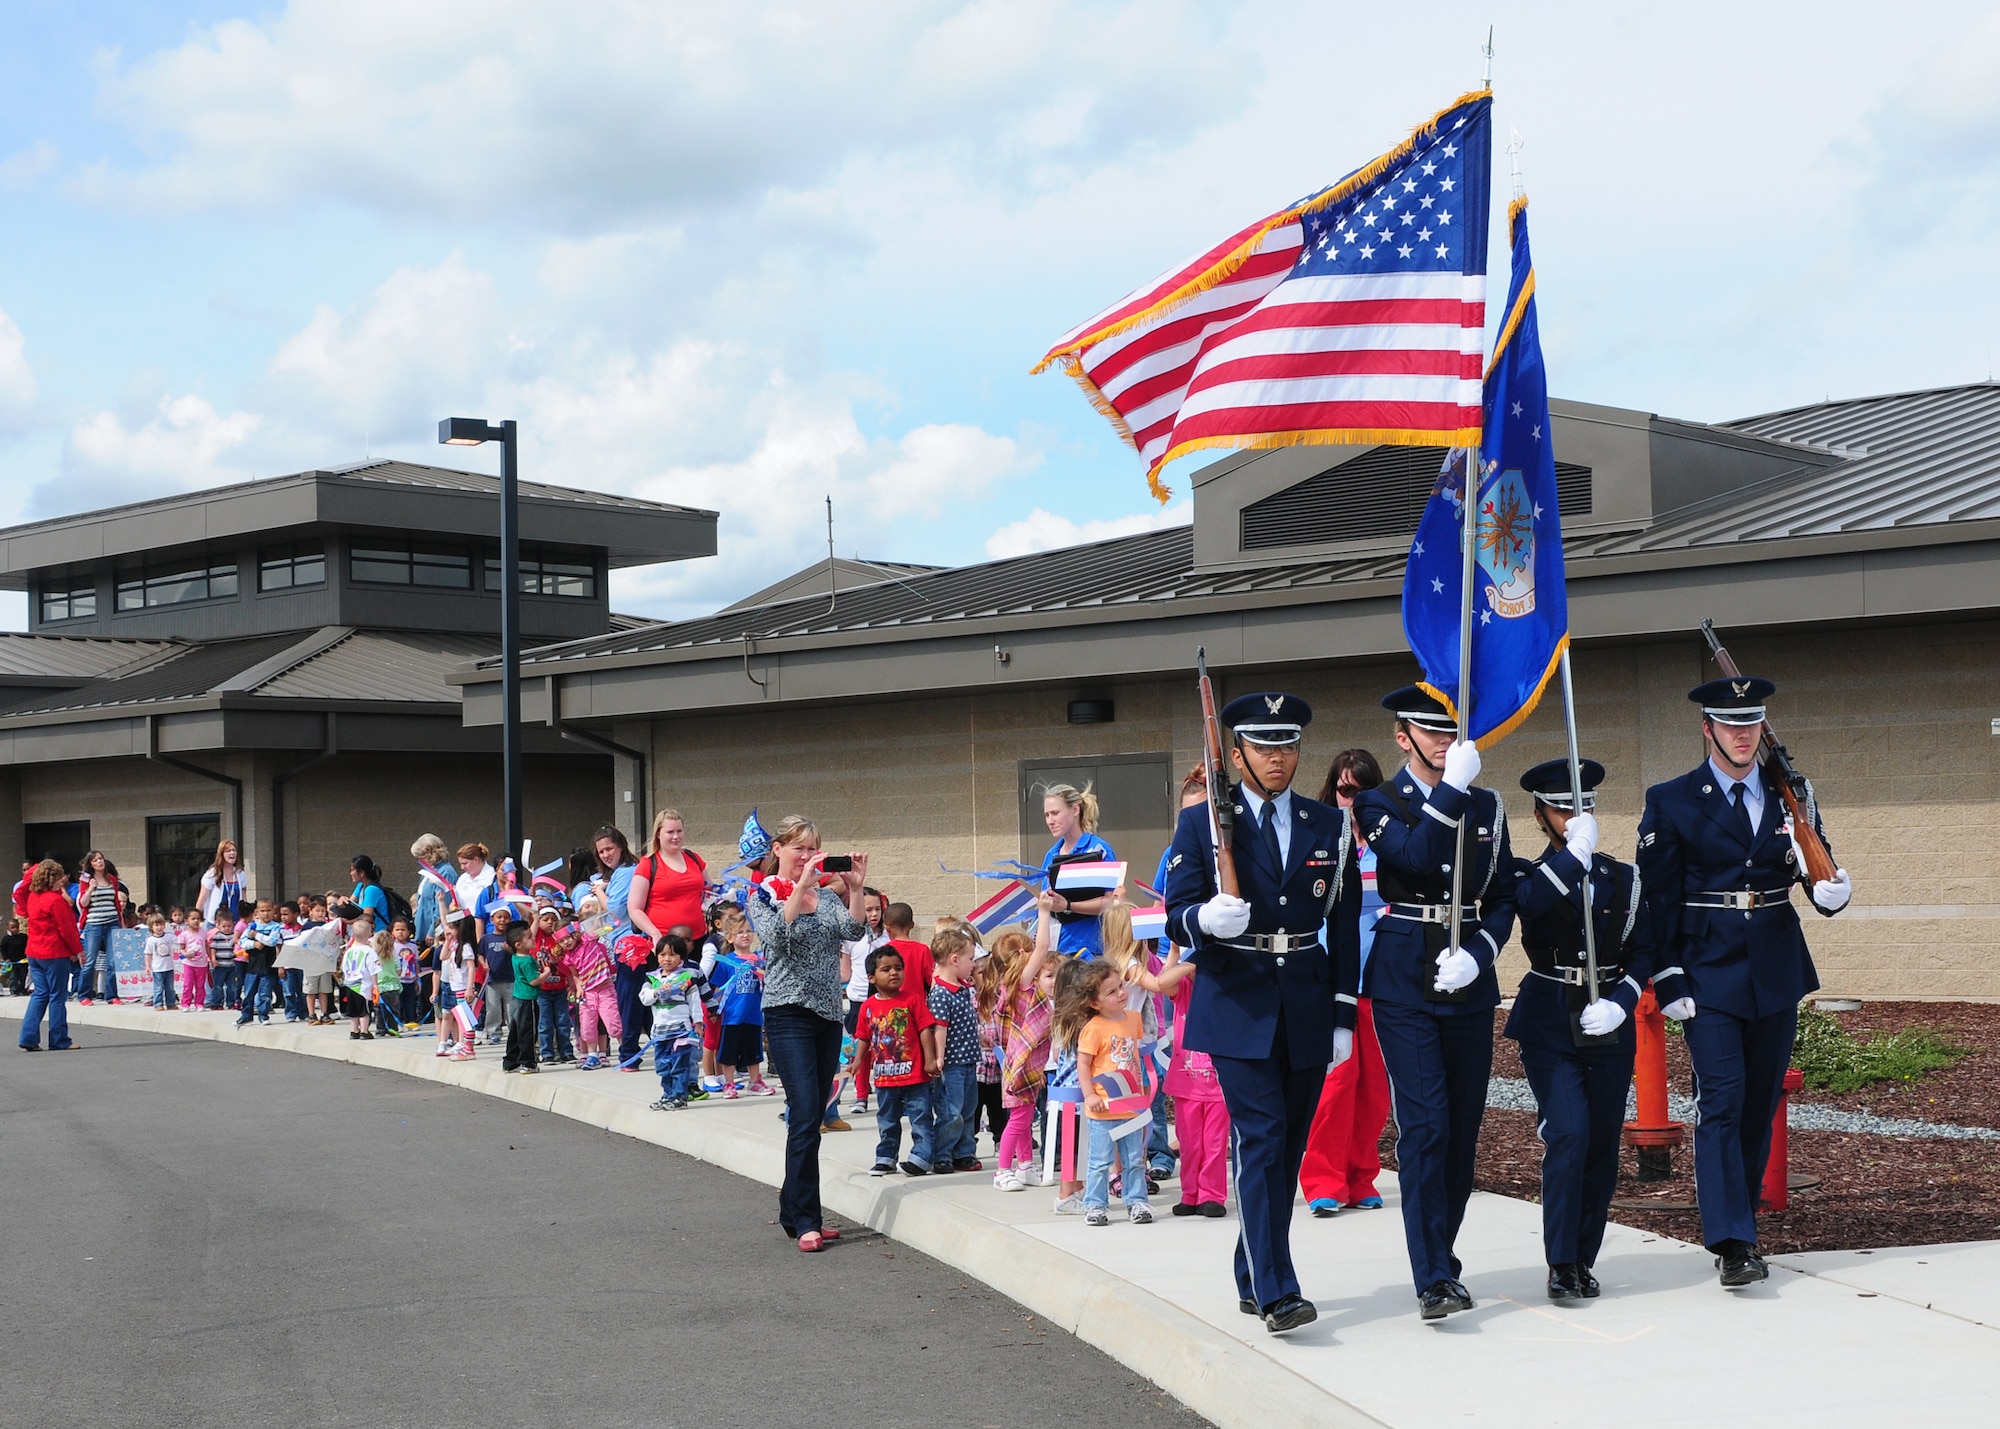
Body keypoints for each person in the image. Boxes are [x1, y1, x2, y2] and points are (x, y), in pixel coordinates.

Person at [1637, 675, 1849, 1288]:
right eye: (1729, 724)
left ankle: (1743, 1219)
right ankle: (1733, 1241)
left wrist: (1831, 891)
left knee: (1758, 1102)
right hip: (1706, 970)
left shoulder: (1792, 793)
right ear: (1707, 729)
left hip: (1776, 964)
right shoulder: (1672, 799)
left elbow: (1814, 864)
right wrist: (1668, 973)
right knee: (1722, 1101)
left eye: (1751, 722)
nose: (1741, 734)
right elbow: (1657, 898)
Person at [1163, 691, 1362, 1335]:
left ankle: (1253, 1268)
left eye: (1289, 745)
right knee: (1265, 1140)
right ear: (1238, 753)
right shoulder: (1203, 826)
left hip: (1306, 1000)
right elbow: (1175, 910)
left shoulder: (1327, 824)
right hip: (1236, 1000)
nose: (1279, 758)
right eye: (1264, 746)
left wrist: (1342, 1013)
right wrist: (1204, 920)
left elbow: (1345, 924)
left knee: (1288, 1148)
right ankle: (1279, 1290)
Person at [1353, 686, 1517, 1322]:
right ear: (1404, 738)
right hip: (1403, 974)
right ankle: (1433, 1275)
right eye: (1432, 732)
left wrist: (1481, 948)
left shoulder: (1489, 804)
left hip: (1468, 973)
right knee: (1426, 1127)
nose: (1447, 742)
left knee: (1463, 1133)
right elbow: (1415, 856)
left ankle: (1441, 1254)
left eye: (1454, 733)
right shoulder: (1377, 801)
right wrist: (1452, 790)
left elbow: (1502, 895)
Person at [1507, 757, 1659, 1301]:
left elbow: (1644, 949)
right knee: (1568, 1132)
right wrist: (1573, 858)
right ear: (1541, 815)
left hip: (1607, 1022)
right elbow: (1530, 906)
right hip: (1550, 1014)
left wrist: (1623, 999)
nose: (1576, 816)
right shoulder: (1529, 873)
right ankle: (1559, 1259)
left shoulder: (1624, 877)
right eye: (1563, 807)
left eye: (1585, 807)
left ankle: (1582, 1259)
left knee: (1598, 1143)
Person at [745, 815, 869, 1252]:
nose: (806, 856)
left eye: (812, 847)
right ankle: (806, 1220)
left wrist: (854, 888)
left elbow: (854, 931)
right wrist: (799, 888)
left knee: (814, 1115)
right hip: (787, 1013)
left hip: (827, 1014)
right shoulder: (760, 894)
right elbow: (777, 937)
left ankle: (793, 1206)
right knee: (802, 1113)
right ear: (777, 849)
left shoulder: (828, 896)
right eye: (798, 848)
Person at [1302, 748, 1394, 1217]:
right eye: (1344, 790)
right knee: (1336, 1084)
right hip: (1332, 978)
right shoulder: (1318, 839)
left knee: (1374, 1089)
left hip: (1381, 980)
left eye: (1360, 790)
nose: (1351, 798)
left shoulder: (1391, 840)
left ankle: (1361, 1177)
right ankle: (1323, 1180)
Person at [1071, 958, 1158, 1227]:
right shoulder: (1093, 1028)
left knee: (1134, 1158)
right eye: (1111, 991)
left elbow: (1135, 1058)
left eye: (1121, 986)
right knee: (1100, 1160)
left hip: (1131, 1105)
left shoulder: (1132, 1019)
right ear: (1095, 1003)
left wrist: (1144, 1094)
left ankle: (1137, 1201)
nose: (1121, 993)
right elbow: (1083, 1064)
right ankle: (1095, 1204)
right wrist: (1090, 1095)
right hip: (1103, 1108)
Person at [854, 946, 939, 1178]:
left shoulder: (912, 1000)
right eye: (886, 969)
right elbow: (863, 1036)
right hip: (884, 1078)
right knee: (887, 1119)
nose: (894, 973)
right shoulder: (868, 1007)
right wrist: (857, 1060)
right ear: (871, 977)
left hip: (915, 1076)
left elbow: (925, 1030)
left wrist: (930, 1060)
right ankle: (886, 1157)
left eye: (898, 968)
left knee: (920, 1118)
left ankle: (921, 1158)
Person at [580, 824, 647, 1069]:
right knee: (639, 1000)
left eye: (610, 848)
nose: (606, 855)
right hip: (627, 942)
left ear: (621, 846)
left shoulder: (627, 871)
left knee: (628, 1000)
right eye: (601, 852)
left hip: (631, 945)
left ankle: (629, 1054)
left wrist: (599, 891)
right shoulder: (620, 872)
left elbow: (617, 909)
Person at [926, 927, 984, 1174]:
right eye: (970, 959)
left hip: (969, 1060)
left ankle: (965, 1152)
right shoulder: (941, 992)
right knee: (951, 1111)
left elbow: (968, 1021)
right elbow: (940, 1028)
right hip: (952, 1063)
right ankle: (943, 1153)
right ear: (954, 960)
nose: (973, 964)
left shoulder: (962, 988)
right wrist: (938, 1057)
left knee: (969, 1109)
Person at [1040, 783, 1116, 958]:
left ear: (1075, 810)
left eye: (1055, 813)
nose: (1050, 821)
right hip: (1057, 951)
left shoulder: (1098, 849)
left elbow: (1111, 902)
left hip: (1091, 950)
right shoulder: (1051, 854)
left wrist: (1068, 906)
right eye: (1046, 815)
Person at [17, 859, 81, 1050]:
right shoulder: (56, 900)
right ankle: (59, 1039)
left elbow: (20, 894)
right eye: (59, 876)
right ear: (53, 878)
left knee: (40, 994)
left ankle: (28, 1037)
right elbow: (67, 929)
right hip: (54, 953)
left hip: (35, 952)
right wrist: (77, 950)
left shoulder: (33, 898)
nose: (62, 880)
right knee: (57, 996)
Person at [641, 933, 706, 1109]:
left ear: (681, 958)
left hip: (682, 1030)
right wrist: (656, 992)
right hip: (660, 1032)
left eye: (672, 955)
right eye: (662, 955)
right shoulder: (652, 978)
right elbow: (644, 998)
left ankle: (679, 1096)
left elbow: (694, 1002)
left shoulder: (686, 979)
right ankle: (667, 1095)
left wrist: (698, 1023)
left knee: (679, 1064)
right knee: (663, 1065)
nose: (667, 959)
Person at [559, 920, 620, 1070]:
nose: (566, 942)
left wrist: (612, 920)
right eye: (561, 941)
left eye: (568, 937)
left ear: (575, 934)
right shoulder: (568, 958)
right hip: (587, 993)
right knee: (587, 1025)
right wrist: (578, 986)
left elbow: (606, 927)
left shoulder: (588, 939)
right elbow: (575, 975)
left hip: (605, 988)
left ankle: (626, 1051)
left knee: (613, 1022)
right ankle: (592, 1056)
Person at [74, 850, 130, 1005]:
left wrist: (122, 924)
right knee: (90, 960)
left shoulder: (111, 879)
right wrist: (90, 889)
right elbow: (82, 903)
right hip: (94, 923)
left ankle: (111, 995)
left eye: (101, 858)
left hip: (112, 922)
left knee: (112, 961)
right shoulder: (86, 880)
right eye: (96, 860)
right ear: (90, 864)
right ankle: (84, 995)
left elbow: (117, 905)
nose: (100, 862)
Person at [501, 922, 542, 1073]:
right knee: (528, 1032)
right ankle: (528, 1062)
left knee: (516, 1031)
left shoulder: (516, 957)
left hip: (517, 998)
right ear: (518, 944)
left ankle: (510, 1061)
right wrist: (546, 974)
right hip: (528, 999)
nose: (533, 939)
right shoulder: (527, 960)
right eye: (529, 937)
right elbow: (533, 981)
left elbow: (513, 951)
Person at [478, 904, 515, 1046]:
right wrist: (483, 964)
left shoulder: (511, 938)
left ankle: (514, 1031)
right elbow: (480, 955)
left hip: (510, 979)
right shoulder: (486, 938)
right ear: (492, 919)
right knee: (492, 1008)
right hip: (492, 980)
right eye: (499, 917)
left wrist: (510, 949)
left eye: (506, 917)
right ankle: (493, 1032)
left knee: (511, 1008)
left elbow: (518, 953)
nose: (502, 920)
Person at [199, 839, 248, 927]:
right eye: (228, 851)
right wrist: (196, 919)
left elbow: (244, 898)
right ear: (221, 854)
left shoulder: (241, 874)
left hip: (236, 923)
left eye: (234, 850)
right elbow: (202, 900)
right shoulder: (212, 873)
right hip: (214, 924)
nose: (232, 853)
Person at [177, 906, 211, 1012]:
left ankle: (199, 1003)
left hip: (202, 964)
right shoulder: (184, 935)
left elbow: (207, 946)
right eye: (193, 919)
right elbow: (181, 950)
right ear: (186, 920)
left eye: (198, 919)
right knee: (188, 984)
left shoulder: (204, 932)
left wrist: (210, 958)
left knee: (200, 985)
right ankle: (185, 1003)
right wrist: (186, 954)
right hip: (189, 964)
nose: (196, 921)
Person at [144, 913, 179, 1009]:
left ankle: (170, 1003)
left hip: (169, 967)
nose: (159, 927)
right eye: (156, 925)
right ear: (151, 927)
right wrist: (147, 966)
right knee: (158, 988)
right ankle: (158, 1004)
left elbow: (179, 941)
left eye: (161, 924)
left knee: (170, 988)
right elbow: (148, 954)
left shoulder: (169, 936)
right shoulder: (151, 940)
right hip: (157, 968)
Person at [4, 915, 29, 997]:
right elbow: (3, 949)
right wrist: (6, 958)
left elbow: (27, 946)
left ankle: (23, 989)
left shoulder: (23, 937)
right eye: (12, 927)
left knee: (23, 976)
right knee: (13, 977)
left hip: (23, 960)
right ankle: (14, 990)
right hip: (12, 961)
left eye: (17, 927)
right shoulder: (6, 939)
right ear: (8, 928)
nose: (15, 929)